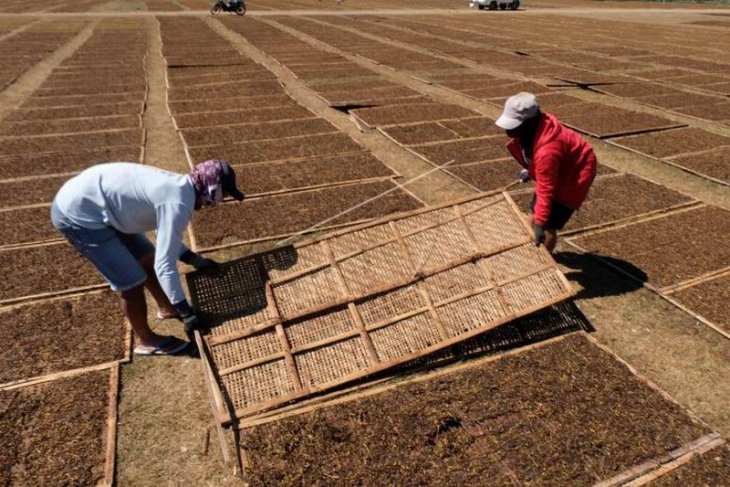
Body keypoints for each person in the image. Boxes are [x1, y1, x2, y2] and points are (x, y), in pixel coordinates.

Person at [51, 160, 245, 355]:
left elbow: (167, 237)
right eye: (224, 194)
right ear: (213, 188)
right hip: (78, 215)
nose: (221, 201)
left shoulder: (180, 188)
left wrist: (194, 260)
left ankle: (168, 308)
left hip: (101, 204)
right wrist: (187, 313)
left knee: (146, 257)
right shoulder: (178, 202)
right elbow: (165, 266)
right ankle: (145, 340)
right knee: (131, 282)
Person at [496, 92, 597, 254]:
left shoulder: (547, 151)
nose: (508, 131)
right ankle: (532, 248)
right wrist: (530, 169)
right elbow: (539, 163)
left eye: (514, 125)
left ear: (530, 122)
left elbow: (545, 188)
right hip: (560, 164)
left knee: (549, 223)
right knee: (534, 215)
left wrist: (541, 224)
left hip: (576, 174)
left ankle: (543, 257)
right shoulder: (535, 129)